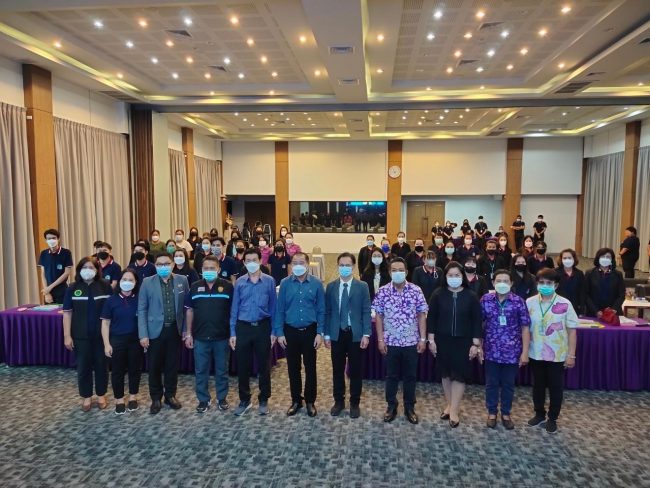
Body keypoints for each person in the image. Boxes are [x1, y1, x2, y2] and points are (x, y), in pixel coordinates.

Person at [427, 261, 482, 428]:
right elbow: (431, 318)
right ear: (445, 277)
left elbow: (477, 321)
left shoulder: (471, 295)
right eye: (450, 275)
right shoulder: (438, 294)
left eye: (457, 275)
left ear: (462, 276)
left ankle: (455, 410)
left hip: (463, 341)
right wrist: (431, 340)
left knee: (459, 375)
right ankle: (450, 405)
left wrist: (476, 344)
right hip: (442, 340)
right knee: (445, 374)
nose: (453, 278)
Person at [373, 257, 428, 424]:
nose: (398, 273)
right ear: (390, 273)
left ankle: (409, 407)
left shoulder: (416, 290)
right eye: (394, 270)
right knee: (391, 376)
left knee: (410, 376)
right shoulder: (382, 291)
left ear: (407, 272)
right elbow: (379, 317)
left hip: (411, 342)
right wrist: (380, 340)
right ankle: (391, 406)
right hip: (390, 342)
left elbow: (421, 315)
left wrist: (423, 339)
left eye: (401, 270)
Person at [526, 268, 578, 434]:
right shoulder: (530, 302)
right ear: (537, 284)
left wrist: (571, 355)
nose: (545, 286)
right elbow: (525, 328)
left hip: (557, 353)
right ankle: (539, 413)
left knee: (556, 387)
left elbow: (572, 331)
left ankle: (552, 418)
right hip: (535, 351)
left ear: (556, 285)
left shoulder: (565, 304)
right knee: (538, 385)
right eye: (541, 282)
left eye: (549, 283)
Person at [137, 252, 190, 414]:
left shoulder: (182, 280)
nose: (163, 267)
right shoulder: (147, 282)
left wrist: (186, 330)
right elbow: (142, 309)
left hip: (174, 329)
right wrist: (143, 334)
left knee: (172, 365)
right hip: (154, 331)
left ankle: (170, 395)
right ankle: (155, 398)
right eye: (159, 264)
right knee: (154, 366)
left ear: (173, 264)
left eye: (166, 263)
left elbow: (187, 307)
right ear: (155, 266)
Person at [275, 252, 325, 417]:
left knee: (310, 367)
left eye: (301, 262)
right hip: (290, 331)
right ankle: (296, 400)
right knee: (293, 368)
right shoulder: (285, 283)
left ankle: (310, 401)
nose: (298, 265)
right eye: (294, 262)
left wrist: (320, 333)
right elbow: (280, 309)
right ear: (291, 265)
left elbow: (321, 310)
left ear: (308, 264)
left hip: (310, 331)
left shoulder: (317, 283)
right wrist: (279, 332)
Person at [480, 269, 531, 429]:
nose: (502, 284)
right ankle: (492, 412)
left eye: (506, 281)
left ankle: (506, 413)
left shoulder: (518, 301)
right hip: (491, 351)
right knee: (491, 383)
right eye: (499, 281)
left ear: (511, 283)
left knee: (508, 385)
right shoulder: (485, 300)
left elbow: (525, 328)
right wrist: (479, 347)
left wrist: (525, 352)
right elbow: (479, 325)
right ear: (493, 282)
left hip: (512, 352)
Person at [230, 248, 277, 416]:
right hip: (243, 327)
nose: (251, 263)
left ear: (260, 261)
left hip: (263, 327)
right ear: (244, 263)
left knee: (264, 366)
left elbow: (273, 307)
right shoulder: (240, 282)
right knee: (243, 366)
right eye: (248, 260)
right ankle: (245, 399)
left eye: (254, 260)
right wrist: (232, 332)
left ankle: (264, 399)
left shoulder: (269, 281)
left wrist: (274, 331)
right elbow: (234, 308)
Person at [184, 256, 234, 413]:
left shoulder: (228, 286)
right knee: (201, 371)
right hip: (200, 337)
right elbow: (189, 311)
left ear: (219, 269)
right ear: (201, 270)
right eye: (206, 268)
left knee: (222, 370)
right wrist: (188, 333)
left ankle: (222, 398)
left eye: (212, 268)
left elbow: (233, 311)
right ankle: (203, 400)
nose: (209, 271)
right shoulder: (194, 287)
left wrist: (233, 334)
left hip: (222, 336)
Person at [62, 257, 113, 411]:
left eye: (91, 267)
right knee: (83, 367)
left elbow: (112, 310)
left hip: (101, 336)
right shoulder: (72, 287)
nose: (88, 270)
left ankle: (101, 395)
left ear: (97, 270)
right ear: (79, 270)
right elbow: (67, 313)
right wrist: (67, 336)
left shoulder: (105, 286)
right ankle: (86, 397)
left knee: (101, 366)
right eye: (84, 267)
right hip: (80, 335)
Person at [324, 253, 371, 418]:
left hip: (355, 334)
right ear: (338, 266)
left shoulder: (362, 286)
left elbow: (366, 311)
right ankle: (339, 401)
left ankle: (354, 403)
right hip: (337, 334)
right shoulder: (331, 286)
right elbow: (328, 312)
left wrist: (366, 334)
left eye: (348, 265)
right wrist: (327, 334)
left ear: (354, 267)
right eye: (341, 265)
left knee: (356, 370)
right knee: (337, 370)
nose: (344, 268)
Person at [100, 269, 142, 414]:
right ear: (119, 281)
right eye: (124, 279)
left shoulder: (140, 299)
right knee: (117, 371)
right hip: (117, 340)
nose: (127, 282)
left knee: (135, 370)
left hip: (135, 340)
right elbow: (105, 323)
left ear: (136, 283)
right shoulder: (111, 300)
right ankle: (119, 399)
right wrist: (106, 344)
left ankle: (133, 397)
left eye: (131, 280)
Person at [584, 248, 626, 317]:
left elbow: (621, 295)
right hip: (593, 313)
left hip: (613, 314)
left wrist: (613, 309)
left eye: (608, 257)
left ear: (612, 259)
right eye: (603, 257)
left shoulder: (618, 274)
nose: (605, 259)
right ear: (598, 258)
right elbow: (586, 294)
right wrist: (595, 311)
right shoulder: (589, 273)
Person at [38, 228, 73, 304]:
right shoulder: (43, 253)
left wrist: (49, 288)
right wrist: (47, 292)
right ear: (46, 240)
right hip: (48, 292)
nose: (51, 240)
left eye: (53, 238)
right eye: (49, 239)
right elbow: (43, 274)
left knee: (62, 311)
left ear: (58, 239)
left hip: (61, 290)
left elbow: (66, 273)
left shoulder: (66, 252)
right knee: (48, 311)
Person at [555, 249, 586, 316]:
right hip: (558, 306)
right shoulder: (555, 272)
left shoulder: (579, 274)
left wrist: (582, 309)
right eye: (564, 258)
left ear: (574, 259)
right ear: (561, 260)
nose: (567, 260)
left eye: (569, 258)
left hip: (574, 307)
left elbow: (582, 292)